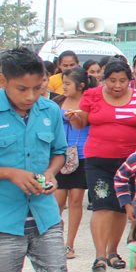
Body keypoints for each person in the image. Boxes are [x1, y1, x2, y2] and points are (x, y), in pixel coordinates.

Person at [0, 48, 70, 272]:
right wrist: (10, 172)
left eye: (37, 89)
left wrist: (50, 174)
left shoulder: (51, 111)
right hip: (4, 220)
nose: (30, 97)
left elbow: (60, 152)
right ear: (2, 81)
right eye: (21, 89)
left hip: (44, 215)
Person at [70, 59, 136, 272]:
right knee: (102, 204)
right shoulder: (92, 95)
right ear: (104, 79)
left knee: (119, 207)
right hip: (98, 159)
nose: (117, 85)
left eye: (122, 81)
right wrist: (74, 118)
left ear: (130, 80)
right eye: (112, 81)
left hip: (129, 162)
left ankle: (113, 252)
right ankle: (99, 256)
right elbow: (81, 124)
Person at [53, 67, 91, 259]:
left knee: (76, 200)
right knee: (57, 201)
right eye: (63, 83)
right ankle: (53, 241)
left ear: (81, 85)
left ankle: (69, 244)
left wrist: (76, 117)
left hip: (82, 154)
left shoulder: (89, 102)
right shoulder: (57, 101)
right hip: (60, 155)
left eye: (68, 84)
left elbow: (82, 124)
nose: (64, 87)